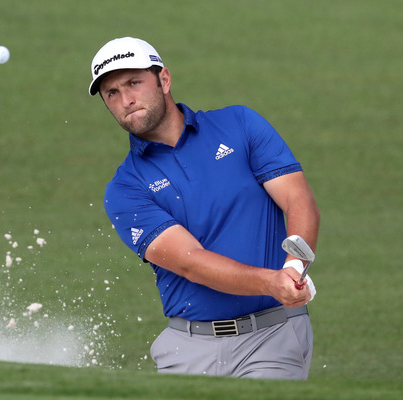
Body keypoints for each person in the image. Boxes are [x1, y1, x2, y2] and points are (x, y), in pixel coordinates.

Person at [88, 37, 320, 380]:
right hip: (187, 348)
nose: (126, 100)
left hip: (272, 336)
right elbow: (190, 262)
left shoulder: (239, 124)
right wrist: (271, 281)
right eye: (112, 93)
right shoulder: (125, 189)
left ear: (164, 79)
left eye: (134, 83)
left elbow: (298, 199)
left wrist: (294, 268)